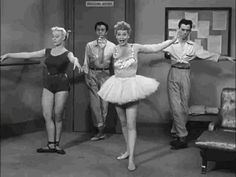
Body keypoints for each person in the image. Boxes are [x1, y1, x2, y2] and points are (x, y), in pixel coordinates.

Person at [98, 21, 179, 171]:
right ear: (115, 35)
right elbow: (100, 63)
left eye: (124, 34)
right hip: (117, 87)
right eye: (119, 34)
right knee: (122, 124)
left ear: (128, 35)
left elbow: (155, 47)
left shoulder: (135, 47)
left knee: (131, 125)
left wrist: (173, 40)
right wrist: (102, 50)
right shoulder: (112, 49)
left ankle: (132, 159)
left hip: (132, 87)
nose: (121, 37)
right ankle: (128, 151)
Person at [0, 26, 82, 154]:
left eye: (57, 36)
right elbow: (28, 55)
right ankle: (50, 145)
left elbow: (73, 58)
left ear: (64, 37)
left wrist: (76, 62)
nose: (54, 39)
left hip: (62, 84)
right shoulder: (47, 51)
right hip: (49, 83)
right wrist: (8, 55)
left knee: (58, 115)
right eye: (53, 36)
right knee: (47, 115)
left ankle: (57, 144)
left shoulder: (67, 53)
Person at [163, 18, 235, 150]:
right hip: (173, 73)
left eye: (187, 30)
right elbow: (160, 50)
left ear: (190, 31)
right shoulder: (171, 43)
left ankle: (176, 133)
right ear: (178, 29)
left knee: (184, 107)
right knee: (175, 106)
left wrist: (226, 58)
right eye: (182, 29)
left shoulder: (194, 46)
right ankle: (183, 136)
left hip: (186, 74)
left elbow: (208, 55)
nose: (184, 32)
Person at [82, 21, 116, 141]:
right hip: (92, 73)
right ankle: (100, 129)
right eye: (98, 30)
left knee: (104, 103)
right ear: (96, 31)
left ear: (106, 32)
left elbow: (115, 64)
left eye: (102, 30)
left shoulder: (112, 46)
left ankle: (102, 129)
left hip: (105, 74)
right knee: (95, 103)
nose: (100, 32)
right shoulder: (90, 45)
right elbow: (85, 61)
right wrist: (86, 76)